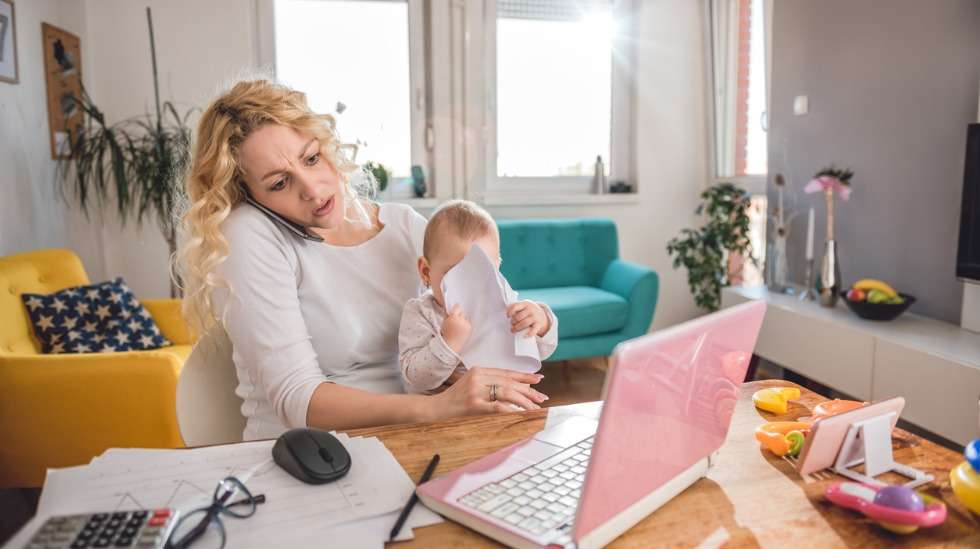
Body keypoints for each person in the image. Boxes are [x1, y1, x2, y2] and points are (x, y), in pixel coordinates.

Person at [179, 80, 547, 439]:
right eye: (279, 183)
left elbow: (493, 318)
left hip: (421, 438)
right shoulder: (250, 233)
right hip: (312, 455)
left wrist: (528, 328)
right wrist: (440, 407)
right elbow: (297, 398)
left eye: (311, 158)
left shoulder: (404, 225)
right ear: (251, 197)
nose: (311, 188)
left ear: (327, 146)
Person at [399, 200, 557, 394]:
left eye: (482, 272)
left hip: (503, 403)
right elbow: (416, 377)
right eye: (454, 274)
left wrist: (541, 323)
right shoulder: (422, 312)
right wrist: (449, 342)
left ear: (497, 267)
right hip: (443, 412)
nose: (468, 285)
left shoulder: (505, 306)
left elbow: (542, 351)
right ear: (426, 272)